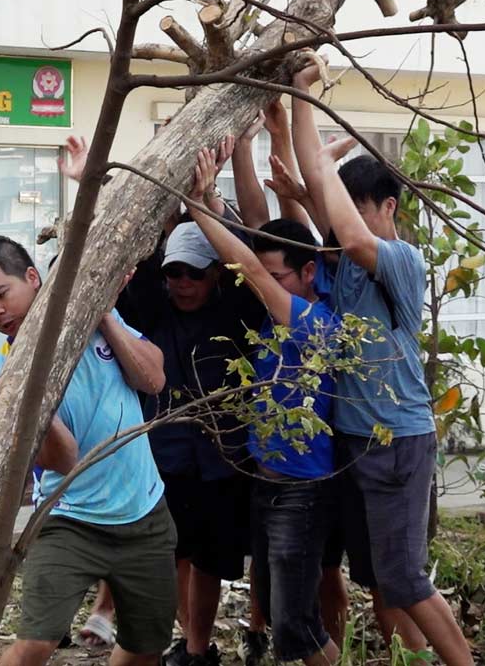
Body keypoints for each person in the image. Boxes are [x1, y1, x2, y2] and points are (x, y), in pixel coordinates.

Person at [291, 61, 474, 666]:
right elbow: (322, 202)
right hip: (354, 441)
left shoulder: (399, 259)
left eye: (360, 209)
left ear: (388, 207)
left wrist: (319, 162)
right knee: (382, 580)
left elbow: (342, 219)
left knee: (405, 578)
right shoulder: (343, 263)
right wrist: (296, 98)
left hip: (397, 440)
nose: (346, 224)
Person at [60, 136, 263, 666]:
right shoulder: (153, 309)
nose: (181, 282)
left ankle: (197, 649)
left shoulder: (235, 312)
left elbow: (246, 257)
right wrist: (92, 188)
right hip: (163, 456)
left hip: (220, 459)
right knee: (164, 552)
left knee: (210, 563)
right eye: (175, 271)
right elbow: (131, 253)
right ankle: (145, 630)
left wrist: (208, 201)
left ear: (215, 275)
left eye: (194, 273)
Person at [0, 236, 177, 666]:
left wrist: (105, 316)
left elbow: (153, 379)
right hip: (69, 520)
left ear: (32, 277)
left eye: (0, 295)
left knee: (144, 648)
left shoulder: (94, 322)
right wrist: (33, 394)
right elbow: (62, 460)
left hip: (145, 513)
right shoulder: (4, 376)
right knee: (36, 643)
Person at [187, 145, 341, 666]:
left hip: (302, 491)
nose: (266, 288)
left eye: (278, 280)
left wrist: (198, 205)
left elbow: (249, 265)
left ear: (309, 275)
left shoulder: (314, 323)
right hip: (267, 480)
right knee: (284, 620)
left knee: (298, 626)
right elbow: (256, 242)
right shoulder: (279, 322)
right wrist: (212, 195)